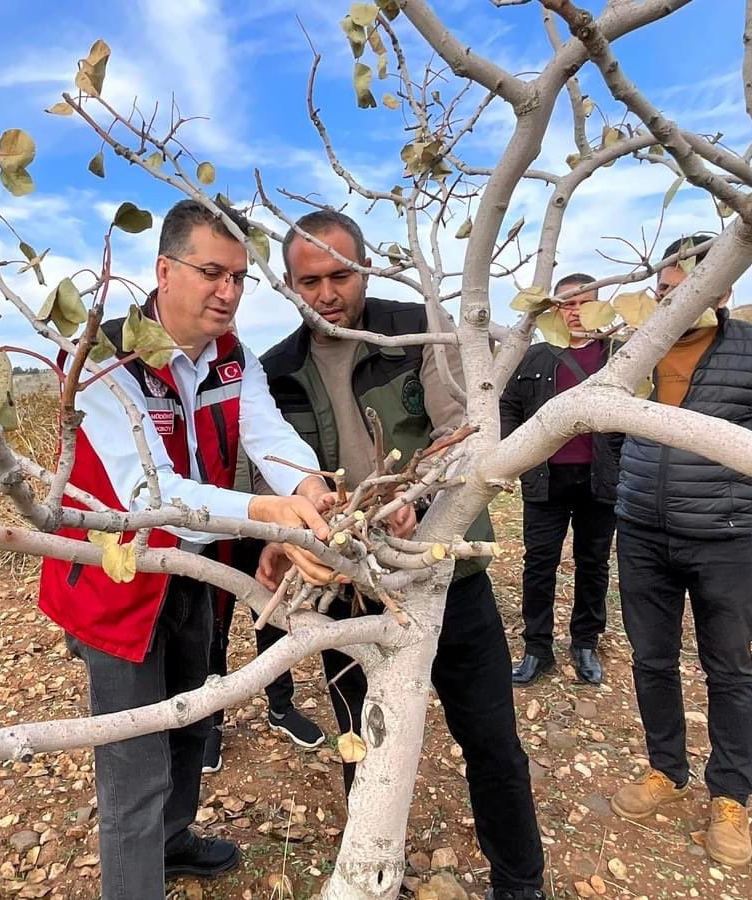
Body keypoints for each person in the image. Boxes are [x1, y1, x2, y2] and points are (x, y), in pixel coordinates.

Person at [37, 199, 335, 899]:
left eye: (239, 277)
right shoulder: (102, 358)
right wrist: (266, 512)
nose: (228, 292)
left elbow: (269, 435)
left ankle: (172, 843)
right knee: (133, 762)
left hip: (196, 571)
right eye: (212, 273)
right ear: (164, 270)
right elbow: (149, 491)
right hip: (117, 584)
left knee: (193, 721)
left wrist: (311, 488)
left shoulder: (233, 357)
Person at [249, 210, 547, 900]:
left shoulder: (417, 331)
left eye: (341, 275)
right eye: (309, 282)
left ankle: (521, 883)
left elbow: (464, 430)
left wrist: (416, 494)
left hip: (446, 577)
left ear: (366, 269)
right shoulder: (276, 371)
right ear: (290, 286)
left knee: (492, 742)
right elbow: (262, 473)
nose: (327, 294)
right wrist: (277, 540)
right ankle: (376, 874)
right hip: (347, 593)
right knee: (363, 742)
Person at [608, 234, 752, 868]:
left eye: (690, 290)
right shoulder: (634, 352)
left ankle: (730, 796)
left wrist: (743, 508)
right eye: (664, 292)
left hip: (726, 543)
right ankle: (666, 769)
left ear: (723, 290)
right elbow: (609, 431)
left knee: (728, 668)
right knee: (652, 659)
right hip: (641, 535)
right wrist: (629, 493)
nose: (674, 302)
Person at [500, 274, 624, 686]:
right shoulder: (534, 357)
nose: (575, 311)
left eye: (585, 302)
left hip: (600, 478)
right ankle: (537, 648)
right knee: (538, 565)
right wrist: (514, 454)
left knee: (593, 562)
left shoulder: (619, 356)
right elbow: (508, 407)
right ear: (555, 309)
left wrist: (623, 461)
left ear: (600, 306)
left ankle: (585, 642)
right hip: (545, 478)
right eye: (567, 304)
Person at [204, 528, 326, 775]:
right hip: (214, 536)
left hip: (259, 531)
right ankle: (211, 723)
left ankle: (281, 709)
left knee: (272, 620)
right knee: (213, 628)